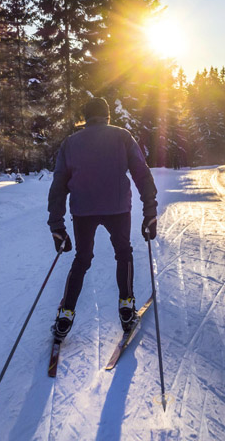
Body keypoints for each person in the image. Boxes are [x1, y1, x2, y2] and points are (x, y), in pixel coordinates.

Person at [46, 97, 158, 340]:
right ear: (107, 116)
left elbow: (58, 185)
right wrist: (149, 211)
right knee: (124, 253)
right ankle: (127, 308)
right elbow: (142, 173)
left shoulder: (70, 143)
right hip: (117, 208)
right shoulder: (122, 136)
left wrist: (57, 225)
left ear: (86, 118)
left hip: (83, 210)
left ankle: (65, 314)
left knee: (82, 259)